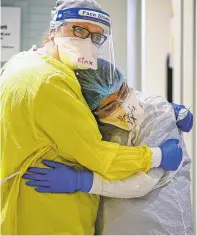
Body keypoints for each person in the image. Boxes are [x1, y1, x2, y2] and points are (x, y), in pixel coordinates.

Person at [0, 0, 183, 235]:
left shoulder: (25, 63)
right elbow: (99, 156)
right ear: (55, 29)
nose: (87, 41)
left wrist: (162, 108)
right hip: (46, 216)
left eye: (96, 36)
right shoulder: (49, 82)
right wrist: (155, 157)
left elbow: (113, 92)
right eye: (79, 30)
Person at [24, 59, 193, 235]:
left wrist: (83, 181)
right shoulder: (91, 127)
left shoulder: (154, 111)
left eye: (123, 92)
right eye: (110, 107)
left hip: (160, 227)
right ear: (90, 112)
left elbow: (143, 182)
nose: (123, 106)